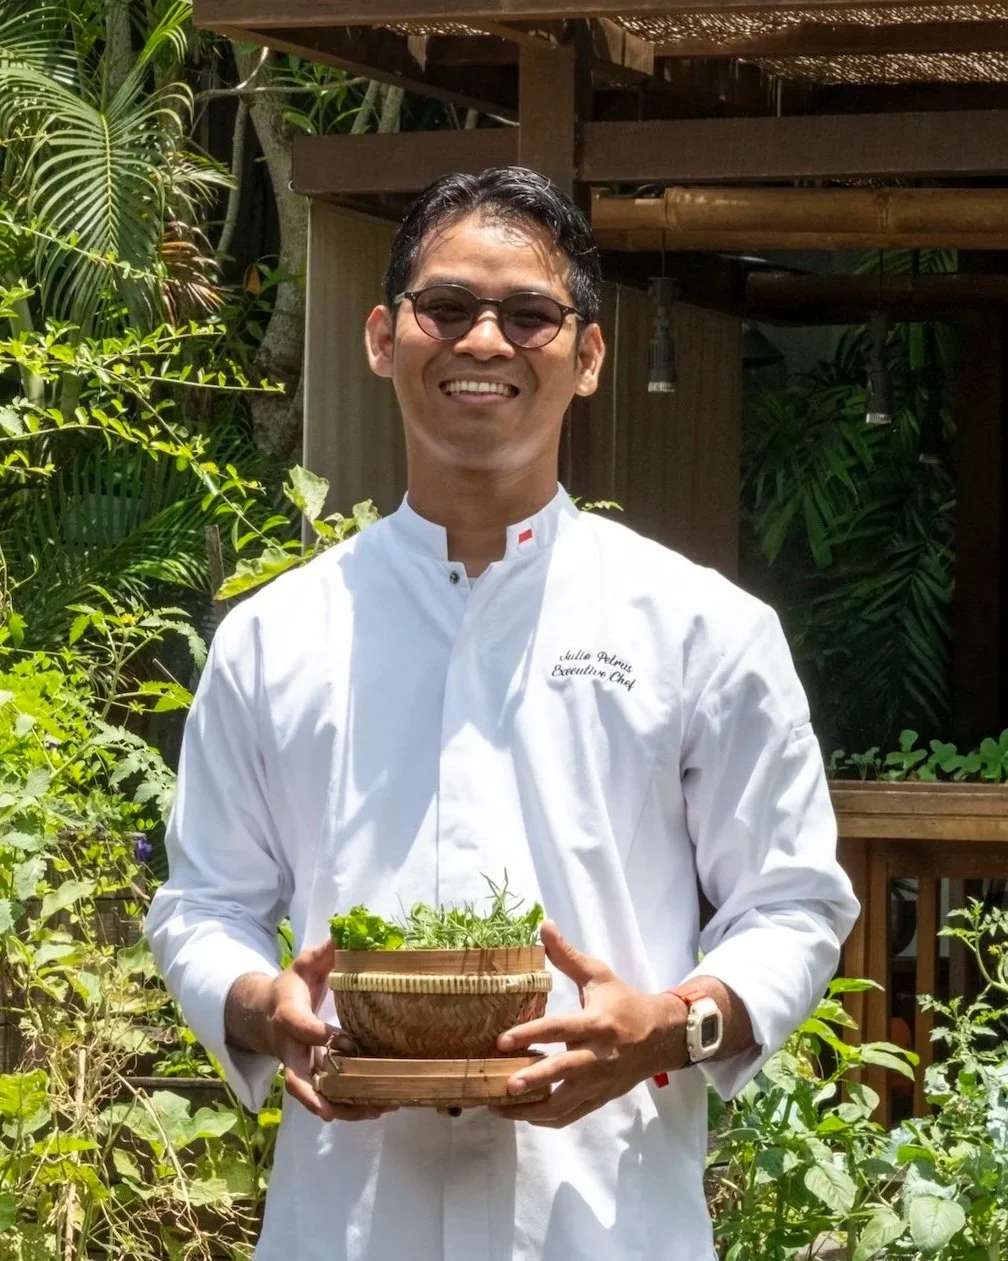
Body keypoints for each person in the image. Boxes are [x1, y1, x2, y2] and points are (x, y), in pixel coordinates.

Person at [146, 165, 860, 1261]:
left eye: (529, 314)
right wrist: (260, 1003)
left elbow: (794, 903)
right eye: (447, 308)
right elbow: (200, 906)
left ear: (588, 355)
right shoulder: (275, 636)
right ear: (384, 337)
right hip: (349, 1221)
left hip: (606, 1220)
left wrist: (671, 1025)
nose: (485, 340)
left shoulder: (699, 627)